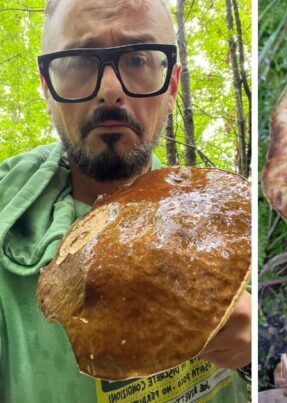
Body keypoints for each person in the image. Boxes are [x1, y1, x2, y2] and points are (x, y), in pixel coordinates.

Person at [0, 0, 251, 402]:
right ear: (46, 86)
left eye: (137, 58)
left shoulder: (221, 215)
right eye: (80, 60)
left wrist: (260, 357)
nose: (111, 90)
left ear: (171, 85)